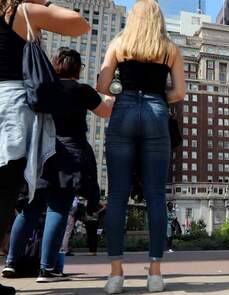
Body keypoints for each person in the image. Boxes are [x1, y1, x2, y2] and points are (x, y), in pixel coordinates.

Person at [97, 0, 186, 292]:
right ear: (158, 19)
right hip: (156, 112)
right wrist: (158, 94)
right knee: (156, 196)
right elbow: (180, 92)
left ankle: (115, 275)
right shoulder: (169, 49)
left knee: (117, 196)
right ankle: (156, 274)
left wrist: (120, 90)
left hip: (123, 112)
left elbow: (103, 83)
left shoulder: (120, 44)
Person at [0, 1, 88, 291]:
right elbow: (80, 24)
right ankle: (47, 266)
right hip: (12, 108)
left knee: (18, 200)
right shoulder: (20, 12)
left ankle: (12, 261)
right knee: (5, 192)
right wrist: (41, 4)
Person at [3, 47, 111, 282]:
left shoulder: (46, 89)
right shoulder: (82, 90)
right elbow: (105, 112)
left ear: (54, 65)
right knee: (59, 208)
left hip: (42, 152)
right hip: (70, 154)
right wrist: (112, 95)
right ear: (78, 69)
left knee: (29, 209)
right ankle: (47, 268)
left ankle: (11, 263)